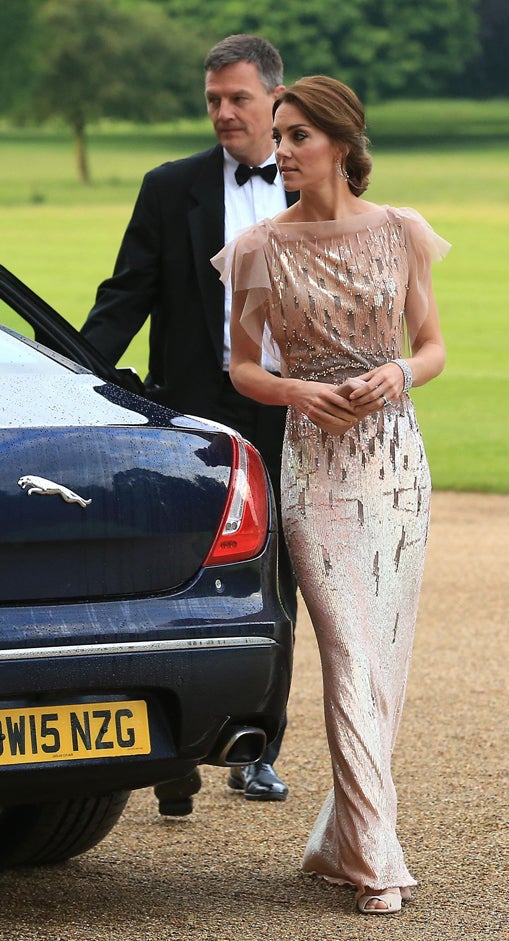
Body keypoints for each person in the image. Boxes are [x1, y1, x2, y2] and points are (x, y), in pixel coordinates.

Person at [211, 76, 450, 914]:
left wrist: (397, 373)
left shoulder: (402, 231)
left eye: (297, 136)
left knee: (383, 665)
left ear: (341, 145)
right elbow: (241, 366)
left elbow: (431, 348)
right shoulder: (256, 248)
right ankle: (376, 862)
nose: (280, 150)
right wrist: (296, 393)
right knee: (348, 649)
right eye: (277, 136)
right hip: (312, 466)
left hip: (395, 467)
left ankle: (340, 837)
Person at [81, 35, 298, 809]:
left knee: (280, 579)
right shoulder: (170, 187)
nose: (223, 113)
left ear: (277, 98)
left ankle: (258, 745)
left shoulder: (314, 186)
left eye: (238, 98)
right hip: (198, 418)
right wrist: (68, 374)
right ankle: (169, 760)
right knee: (180, 576)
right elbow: (125, 297)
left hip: (294, 414)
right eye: (213, 99)